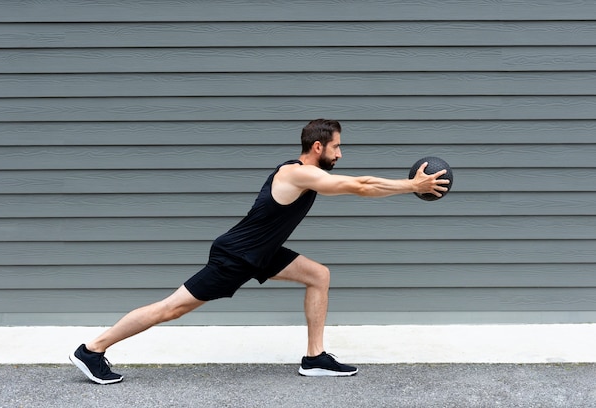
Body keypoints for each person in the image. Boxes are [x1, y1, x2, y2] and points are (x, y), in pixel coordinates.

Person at [69, 119, 449, 384]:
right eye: (337, 146)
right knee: (171, 308)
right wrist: (411, 185)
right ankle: (92, 349)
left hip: (262, 252)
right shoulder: (297, 173)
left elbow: (360, 185)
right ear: (318, 147)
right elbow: (361, 186)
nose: (341, 153)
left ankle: (315, 358)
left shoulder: (307, 173)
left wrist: (407, 187)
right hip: (236, 256)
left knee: (319, 275)